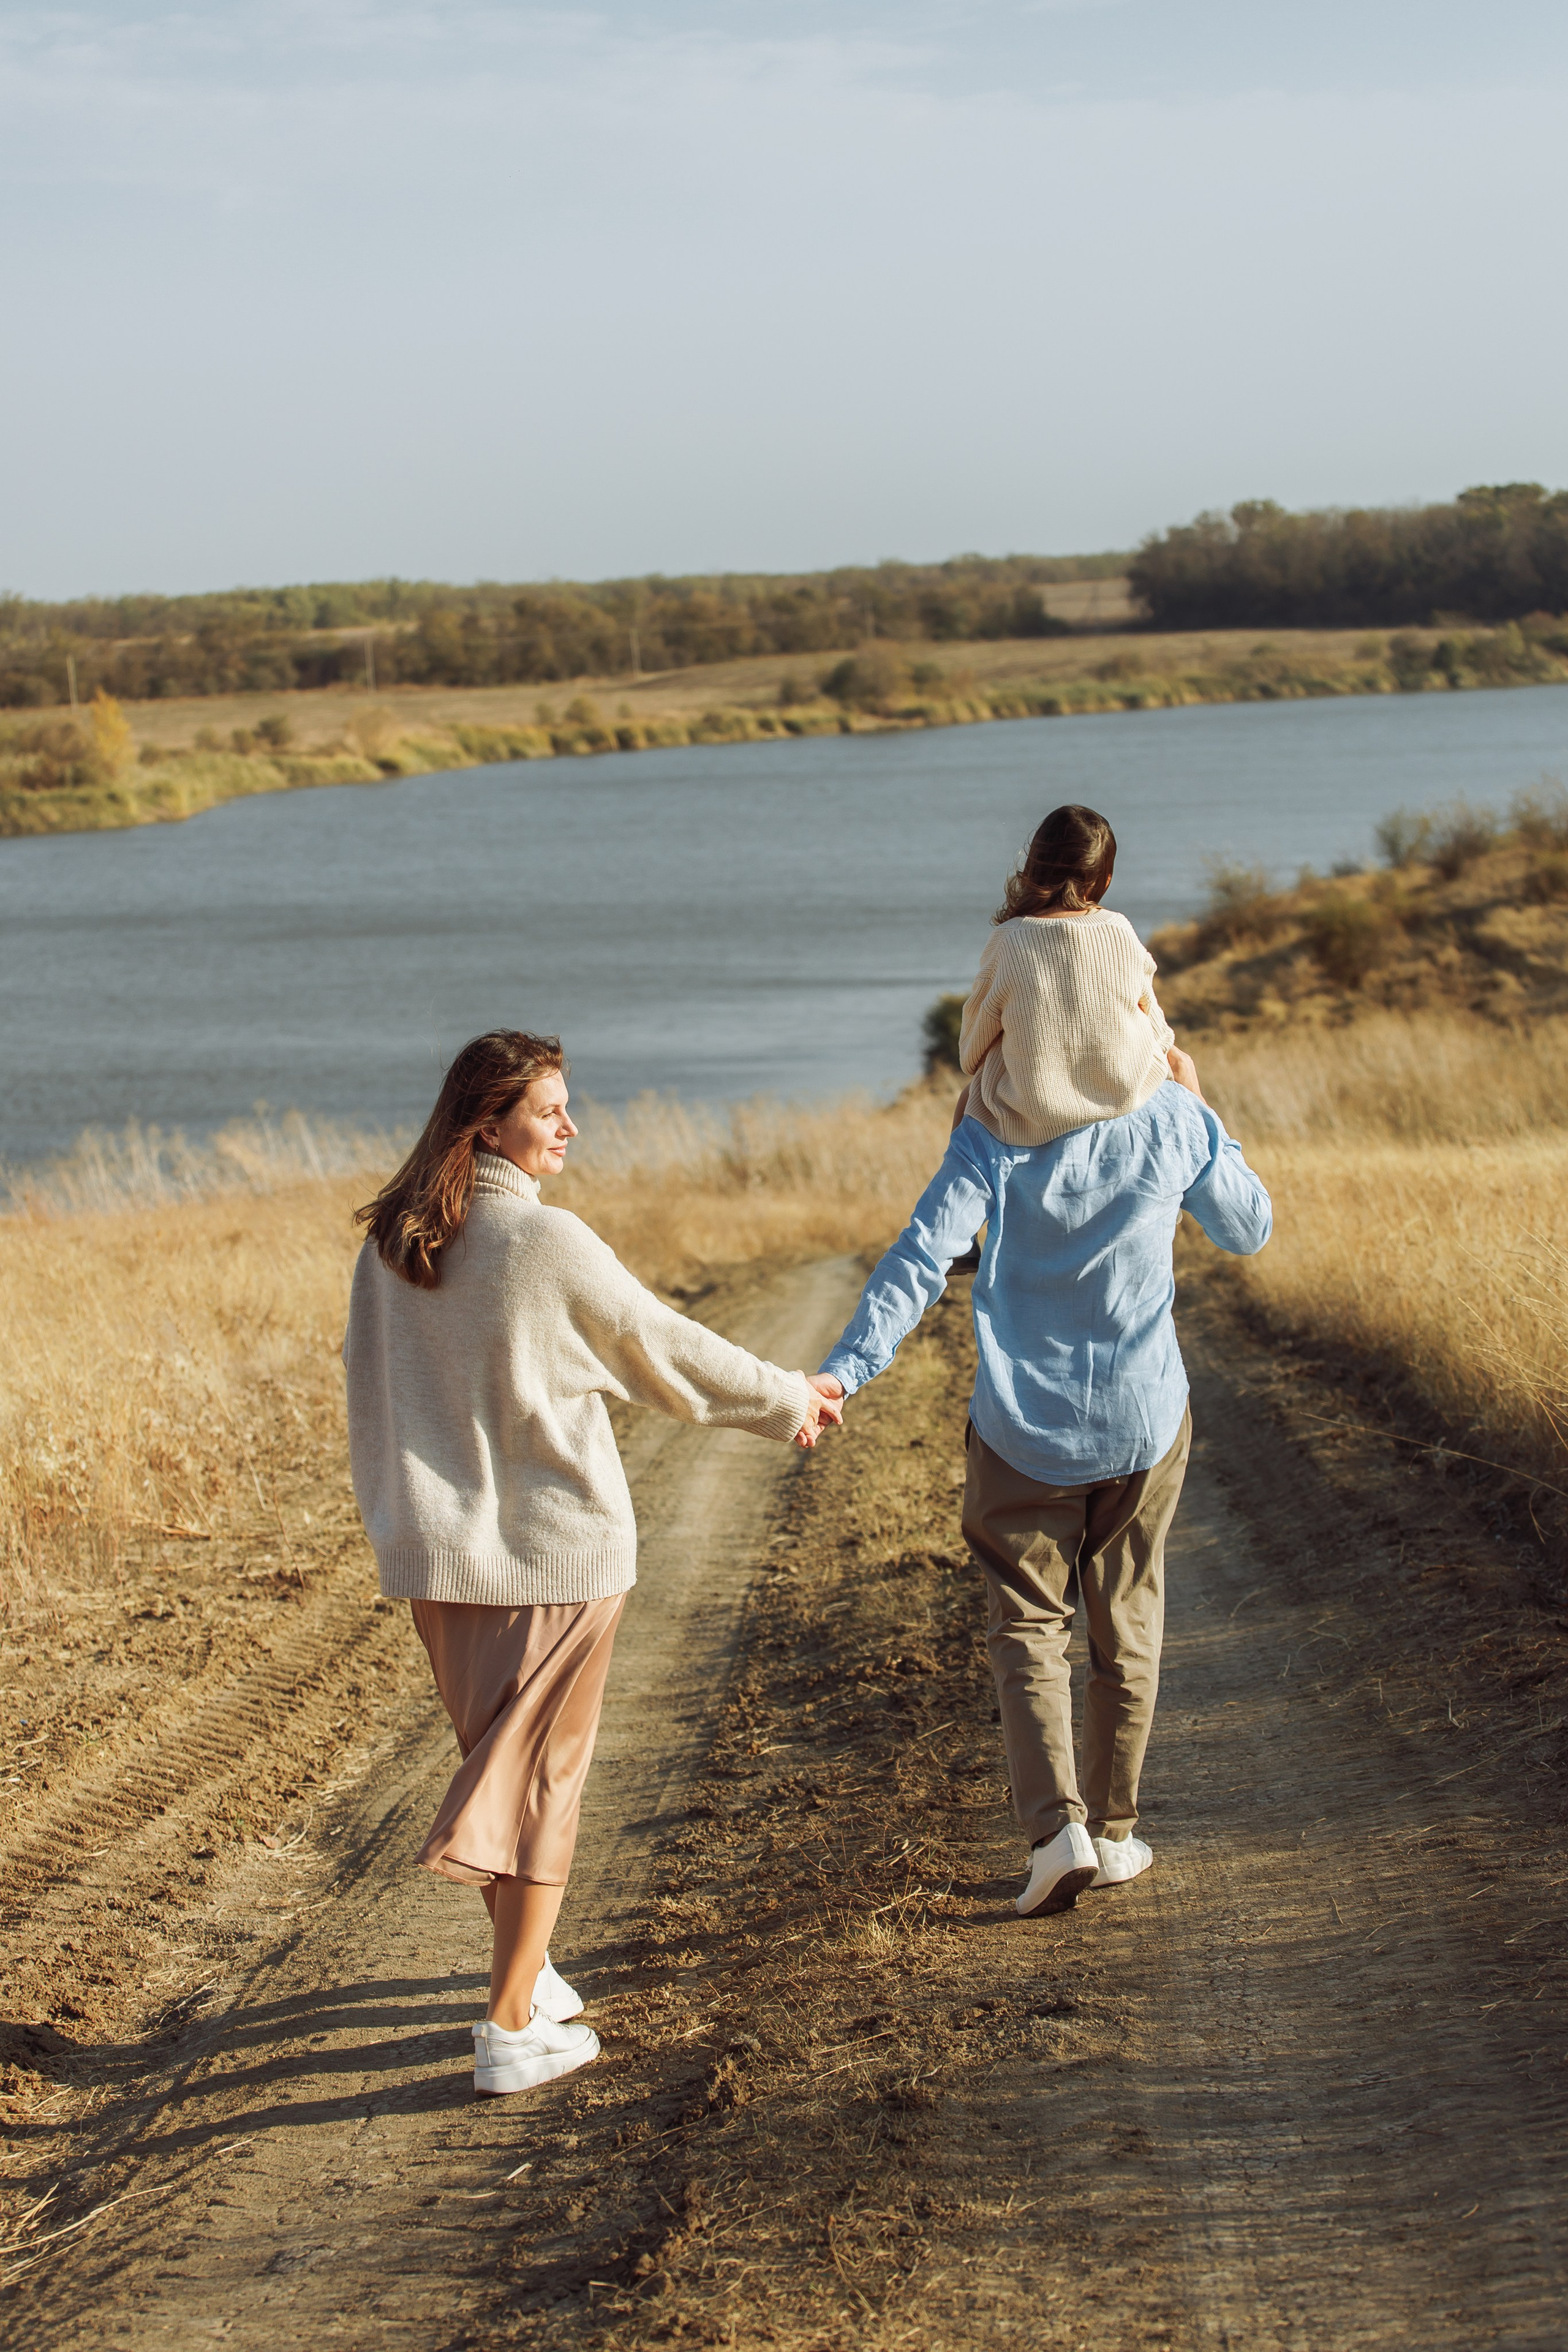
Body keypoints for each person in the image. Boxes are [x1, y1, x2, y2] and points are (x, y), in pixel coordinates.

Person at [343, 1030, 842, 2097]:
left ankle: (529, 1973)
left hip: (435, 1561)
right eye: (549, 1111)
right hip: (553, 1560)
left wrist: (397, 1519)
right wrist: (788, 1398)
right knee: (540, 1787)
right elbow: (664, 1349)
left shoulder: (392, 1244)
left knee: (506, 1774)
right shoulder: (543, 1241)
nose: (571, 1126)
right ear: (489, 1128)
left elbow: (370, 1398)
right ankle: (509, 2028)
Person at [816, 983, 1271, 1920]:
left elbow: (923, 1257)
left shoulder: (993, 1127)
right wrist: (1200, 1108)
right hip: (1146, 1421)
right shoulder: (1173, 1115)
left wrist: (845, 1372)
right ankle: (1114, 1833)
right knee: (1127, 1620)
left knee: (1028, 1624)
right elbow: (1247, 1227)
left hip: (1023, 1426)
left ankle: (1056, 1834)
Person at [952, 802, 1177, 1144]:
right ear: (1105, 879)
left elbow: (971, 1053)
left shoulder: (1008, 939)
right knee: (1184, 1067)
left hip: (1034, 1113)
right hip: (1126, 1097)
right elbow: (1159, 1032)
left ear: (1034, 868)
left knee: (969, 1097)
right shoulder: (1120, 929)